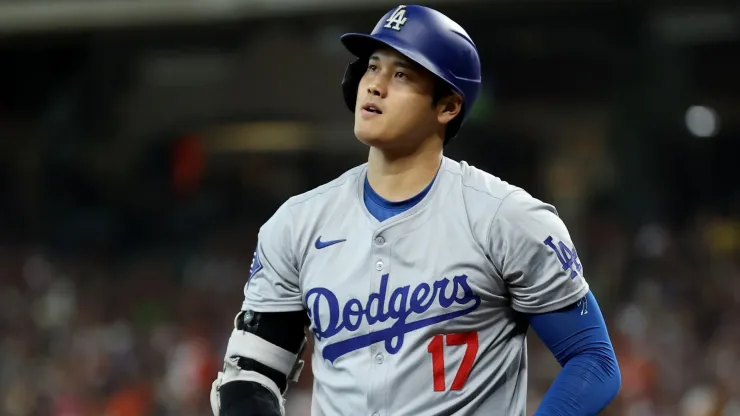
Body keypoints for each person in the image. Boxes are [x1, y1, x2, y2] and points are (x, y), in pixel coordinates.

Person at [210, 5, 622, 415]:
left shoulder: (506, 219)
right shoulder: (296, 224)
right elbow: (252, 372)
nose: (375, 85)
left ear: (447, 107)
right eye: (372, 67)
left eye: (402, 74)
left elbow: (593, 361)